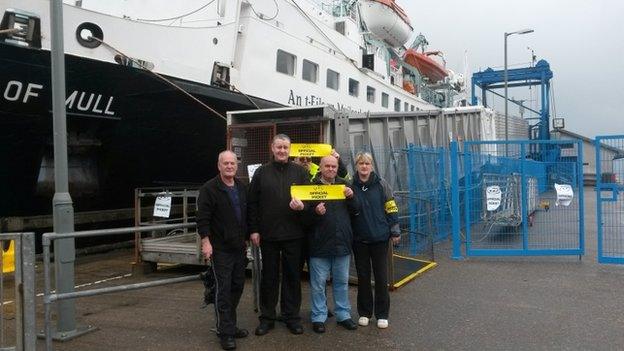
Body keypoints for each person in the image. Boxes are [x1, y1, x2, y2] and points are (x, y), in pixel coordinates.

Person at [247, 134, 311, 336]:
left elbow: (310, 199)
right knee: (269, 277)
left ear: (290, 149)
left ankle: (291, 316)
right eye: (279, 147)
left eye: (285, 147)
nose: (282, 150)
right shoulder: (261, 172)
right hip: (269, 234)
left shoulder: (300, 172)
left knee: (293, 277)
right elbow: (252, 203)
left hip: (294, 234)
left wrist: (303, 206)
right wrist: (254, 230)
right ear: (272, 148)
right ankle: (267, 318)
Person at [197, 150, 249, 350]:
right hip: (220, 249)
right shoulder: (209, 189)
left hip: (238, 248)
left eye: (232, 163)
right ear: (219, 165)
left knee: (237, 286)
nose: (229, 166)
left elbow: (246, 214)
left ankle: (230, 324)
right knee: (223, 290)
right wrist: (205, 241)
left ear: (237, 166)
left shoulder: (241, 187)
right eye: (225, 163)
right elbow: (203, 218)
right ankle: (225, 332)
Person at [308, 156, 360, 333]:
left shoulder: (345, 186)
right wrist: (314, 212)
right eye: (327, 166)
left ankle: (343, 315)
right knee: (318, 284)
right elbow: (302, 217)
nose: (330, 169)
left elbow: (357, 210)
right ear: (320, 168)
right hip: (319, 244)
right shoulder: (311, 188)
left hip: (342, 243)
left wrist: (352, 197)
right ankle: (318, 316)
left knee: (341, 282)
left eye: (333, 166)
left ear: (337, 168)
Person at [351, 151, 401, 329]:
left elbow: (391, 207)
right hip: (359, 240)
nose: (364, 167)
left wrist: (395, 231)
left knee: (381, 277)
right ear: (356, 165)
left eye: (367, 163)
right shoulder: (350, 185)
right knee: (363, 277)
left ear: (371, 166)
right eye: (361, 163)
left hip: (380, 238)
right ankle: (364, 312)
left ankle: (382, 314)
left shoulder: (381, 184)